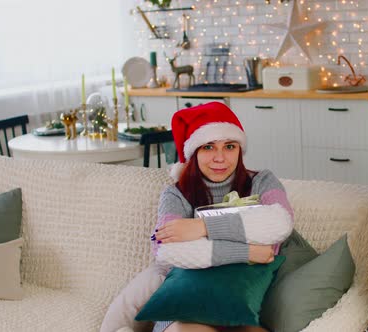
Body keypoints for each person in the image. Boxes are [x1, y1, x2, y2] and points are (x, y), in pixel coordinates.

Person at [101, 102, 294, 332]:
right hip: (186, 309)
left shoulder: (262, 181)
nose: (220, 158)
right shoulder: (175, 194)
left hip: (243, 303)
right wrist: (247, 251)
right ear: (194, 153)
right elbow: (168, 252)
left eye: (230, 146)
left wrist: (202, 227)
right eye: (208, 147)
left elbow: (279, 223)